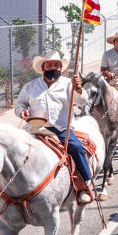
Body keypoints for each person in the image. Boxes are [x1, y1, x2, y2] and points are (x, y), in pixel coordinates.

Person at [15, 50, 92, 204]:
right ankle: (3, 191)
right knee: (12, 150)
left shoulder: (68, 84)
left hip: (61, 128)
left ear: (60, 69)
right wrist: (22, 111)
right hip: (35, 127)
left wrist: (78, 89)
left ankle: (83, 185)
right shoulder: (30, 86)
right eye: (49, 65)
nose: (53, 68)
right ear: (43, 68)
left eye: (56, 65)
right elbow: (19, 104)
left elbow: (83, 101)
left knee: (76, 147)